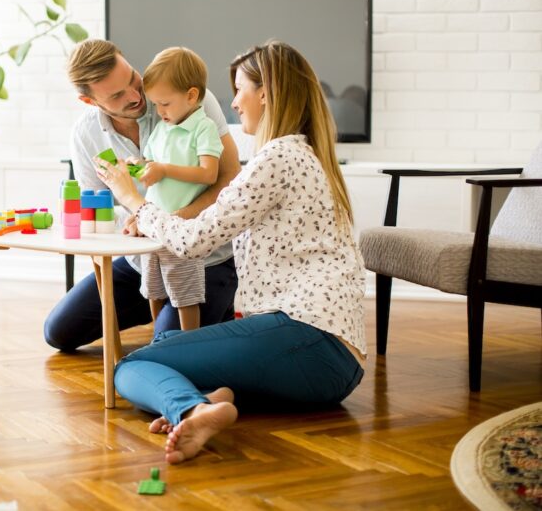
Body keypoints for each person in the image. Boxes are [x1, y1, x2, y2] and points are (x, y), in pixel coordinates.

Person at [95, 40, 367, 464]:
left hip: (308, 339)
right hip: (332, 358)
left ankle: (192, 408)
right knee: (169, 339)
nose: (234, 102)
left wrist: (134, 200)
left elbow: (192, 242)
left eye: (240, 89)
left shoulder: (275, 158)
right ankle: (211, 398)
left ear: (267, 93)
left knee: (129, 368)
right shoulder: (308, 153)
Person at [43, 39, 241, 351]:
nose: (137, 96)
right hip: (141, 260)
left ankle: (210, 309)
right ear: (89, 101)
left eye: (133, 79)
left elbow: (229, 177)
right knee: (59, 332)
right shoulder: (86, 135)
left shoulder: (188, 98)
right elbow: (99, 208)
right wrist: (135, 225)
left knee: (168, 345)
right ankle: (167, 313)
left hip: (202, 259)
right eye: (117, 95)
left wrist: (165, 223)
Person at [135, 47, 223, 331]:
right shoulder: (162, 128)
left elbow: (209, 174)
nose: (159, 112)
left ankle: (189, 343)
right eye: (156, 105)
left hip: (183, 231)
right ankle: (158, 341)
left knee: (186, 294)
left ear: (192, 96)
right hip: (154, 227)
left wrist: (164, 169)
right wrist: (134, 167)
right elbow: (149, 165)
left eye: (165, 104)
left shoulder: (203, 128)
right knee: (154, 289)